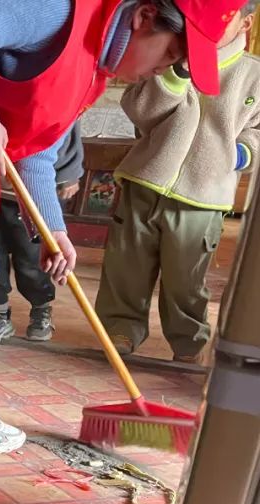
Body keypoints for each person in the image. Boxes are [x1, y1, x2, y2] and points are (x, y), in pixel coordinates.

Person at [0, 0, 239, 454]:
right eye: (169, 53)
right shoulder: (63, 11)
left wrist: (53, 229)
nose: (162, 70)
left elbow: (37, 150)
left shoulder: (94, 69)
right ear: (144, 16)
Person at [95, 3, 260, 363]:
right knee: (126, 266)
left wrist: (240, 154)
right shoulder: (172, 53)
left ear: (246, 23)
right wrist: (176, 75)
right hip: (145, 180)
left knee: (187, 278)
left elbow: (257, 132)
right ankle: (120, 328)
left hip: (204, 195)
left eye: (224, 18)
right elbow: (140, 110)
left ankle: (189, 342)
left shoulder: (254, 76)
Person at [0, 123, 85, 348]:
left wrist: (69, 176)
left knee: (32, 260)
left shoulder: (60, 105)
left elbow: (68, 135)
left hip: (36, 197)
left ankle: (41, 308)